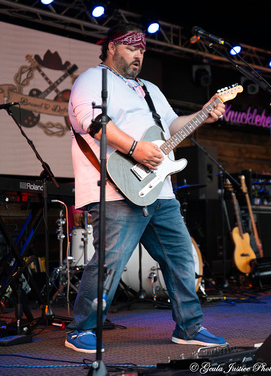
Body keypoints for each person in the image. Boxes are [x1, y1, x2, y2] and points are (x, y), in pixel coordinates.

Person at [65, 23, 226, 353]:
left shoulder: (150, 89)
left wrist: (202, 114)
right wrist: (136, 148)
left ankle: (189, 326)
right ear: (112, 47)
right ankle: (81, 329)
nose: (138, 55)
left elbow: (172, 128)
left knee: (180, 258)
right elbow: (90, 121)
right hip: (114, 187)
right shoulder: (93, 80)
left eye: (142, 50)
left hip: (160, 192)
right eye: (131, 48)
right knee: (111, 262)